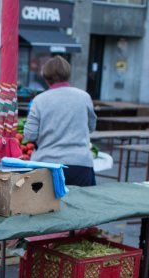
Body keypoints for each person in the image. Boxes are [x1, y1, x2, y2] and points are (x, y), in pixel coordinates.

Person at [23, 56, 97, 187]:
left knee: (46, 207)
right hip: (80, 164)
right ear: (68, 74)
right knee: (82, 206)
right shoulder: (84, 97)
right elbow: (91, 127)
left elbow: (30, 135)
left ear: (45, 77)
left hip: (45, 166)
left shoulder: (39, 100)